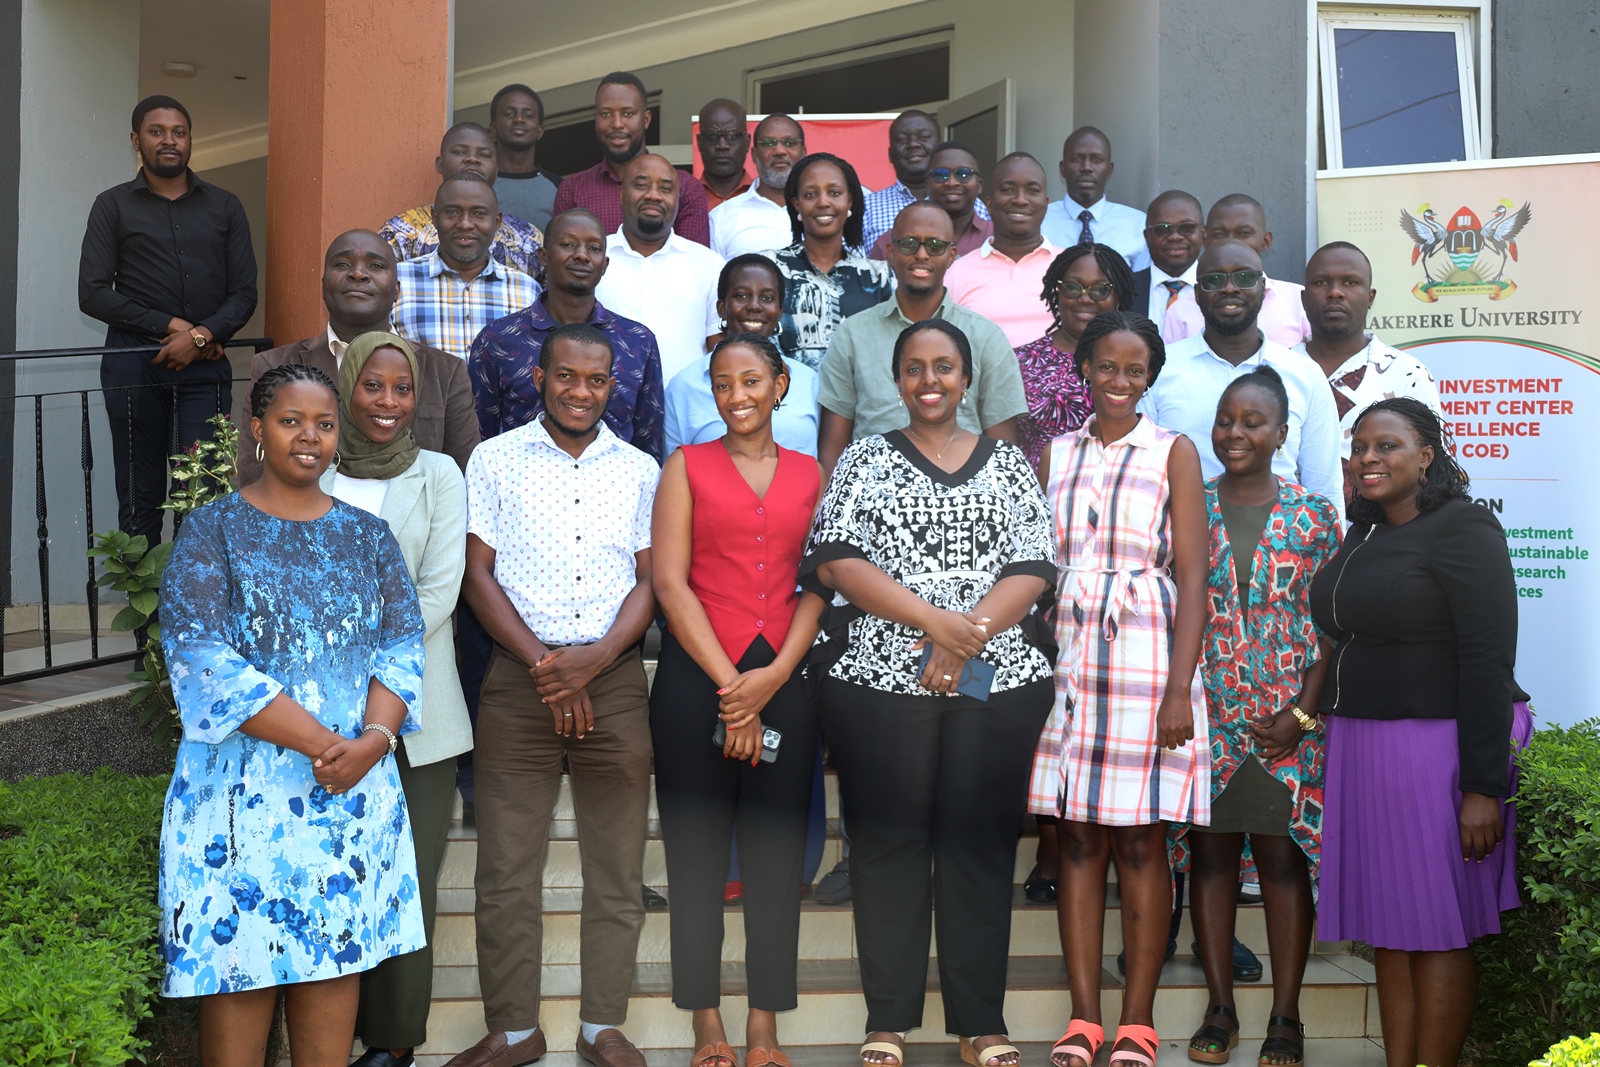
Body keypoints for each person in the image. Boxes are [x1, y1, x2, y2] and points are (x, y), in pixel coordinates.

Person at [802, 318, 1056, 1067]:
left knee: (977, 847)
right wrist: (935, 625)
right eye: (914, 368)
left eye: (944, 367)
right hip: (879, 681)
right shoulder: (863, 460)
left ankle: (981, 1022)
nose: (930, 380)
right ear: (897, 379)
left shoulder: (1008, 463)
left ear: (968, 378)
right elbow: (838, 561)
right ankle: (889, 1021)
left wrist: (965, 635)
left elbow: (1035, 563)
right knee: (888, 843)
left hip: (996, 680)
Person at [158, 363, 424, 1066]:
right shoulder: (212, 530)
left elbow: (401, 647)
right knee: (237, 984)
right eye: (290, 421)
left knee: (332, 985)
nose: (310, 437)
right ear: (257, 430)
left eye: (324, 424)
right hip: (237, 808)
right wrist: (330, 744)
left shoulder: (369, 537)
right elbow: (201, 658)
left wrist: (374, 739)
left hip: (348, 803)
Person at [452, 323, 659, 1067]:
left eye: (596, 380)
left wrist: (594, 660)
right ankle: (514, 1028)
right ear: (539, 376)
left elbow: (651, 580)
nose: (580, 391)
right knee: (505, 868)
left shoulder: (640, 469)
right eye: (566, 376)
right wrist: (548, 664)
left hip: (616, 684)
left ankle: (603, 1024)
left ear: (614, 386)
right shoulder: (493, 460)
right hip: (517, 682)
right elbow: (478, 576)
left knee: (617, 865)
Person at [1308, 398, 1524, 1067]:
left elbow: (1489, 659)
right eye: (1360, 447)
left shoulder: (1465, 528)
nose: (1368, 459)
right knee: (1392, 931)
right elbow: (1341, 639)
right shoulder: (1364, 531)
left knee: (1436, 929)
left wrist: (1482, 785)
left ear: (1426, 455)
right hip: (1364, 747)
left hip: (1435, 748)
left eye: (1387, 446)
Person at [1029, 310, 1208, 1067]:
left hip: (1144, 657)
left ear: (1151, 377)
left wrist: (1178, 689)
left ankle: (1136, 1019)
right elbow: (1037, 563)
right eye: (1108, 366)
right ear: (1086, 370)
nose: (1120, 381)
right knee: (1075, 834)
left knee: (1140, 839)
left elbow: (1195, 577)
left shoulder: (1174, 451)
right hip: (1069, 657)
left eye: (1135, 370)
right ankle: (1082, 1017)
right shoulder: (1055, 452)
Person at [651, 333, 824, 1067]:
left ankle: (763, 1029)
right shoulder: (685, 466)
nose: (737, 395)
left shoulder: (816, 474)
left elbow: (821, 584)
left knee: (775, 862)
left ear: (780, 385)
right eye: (723, 384)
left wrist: (775, 675)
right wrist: (734, 690)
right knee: (694, 860)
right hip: (700, 683)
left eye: (751, 380)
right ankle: (706, 1027)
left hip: (784, 678)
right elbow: (669, 583)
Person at [311, 333, 470, 1067]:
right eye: (372, 385)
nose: (387, 402)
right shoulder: (315, 471)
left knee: (408, 877)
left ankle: (395, 1037)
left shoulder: (439, 474)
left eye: (401, 389)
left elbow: (440, 587)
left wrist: (365, 657)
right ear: (347, 386)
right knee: (330, 871)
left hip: (419, 713)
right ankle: (323, 1031)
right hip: (318, 712)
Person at [1180, 366, 1341, 1067]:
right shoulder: (1190, 506)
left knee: (1281, 860)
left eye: (1252, 421)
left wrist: (1304, 713)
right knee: (1211, 856)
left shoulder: (1314, 516)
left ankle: (1285, 1015)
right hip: (1207, 711)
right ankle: (1219, 1006)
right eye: (1226, 419)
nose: (1235, 432)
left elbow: (1333, 625)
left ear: (1282, 433)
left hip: (1287, 715)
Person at [79, 94, 257, 544]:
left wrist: (202, 335)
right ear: (137, 141)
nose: (169, 140)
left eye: (179, 132)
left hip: (206, 369)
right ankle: (144, 612)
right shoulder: (112, 206)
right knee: (139, 493)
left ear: (191, 140)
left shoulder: (225, 206)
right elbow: (93, 293)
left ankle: (197, 604)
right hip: (134, 365)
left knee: (203, 491)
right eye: (157, 132)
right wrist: (173, 327)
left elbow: (244, 292)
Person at [239, 230, 479, 485]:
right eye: (342, 264)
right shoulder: (274, 366)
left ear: (397, 290)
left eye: (375, 266)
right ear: (322, 286)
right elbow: (253, 473)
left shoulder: (444, 371)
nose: (358, 274)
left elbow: (465, 476)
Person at [817, 202, 1026, 477]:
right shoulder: (853, 335)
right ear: (891, 253)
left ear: (952, 256)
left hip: (966, 501)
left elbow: (1004, 453)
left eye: (935, 246)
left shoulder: (986, 338)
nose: (922, 255)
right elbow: (833, 449)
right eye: (909, 245)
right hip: (874, 499)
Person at [1141, 239, 1342, 519]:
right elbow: (1141, 478)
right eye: (1214, 280)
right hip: (1182, 545)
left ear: (1263, 288)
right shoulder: (1160, 370)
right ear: (1197, 294)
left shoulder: (1304, 374)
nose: (1230, 288)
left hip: (1285, 549)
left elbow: (1325, 487)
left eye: (1244, 277)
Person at [470, 209, 665, 459]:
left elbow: (648, 444)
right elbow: (480, 437)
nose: (582, 255)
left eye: (594, 248)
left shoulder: (638, 341)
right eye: (568, 244)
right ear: (544, 256)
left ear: (604, 265)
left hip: (616, 492)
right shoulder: (499, 340)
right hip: (521, 491)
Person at [1294, 241, 1441, 507]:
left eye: (1350, 282)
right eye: (1321, 282)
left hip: (1382, 539)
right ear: (1303, 299)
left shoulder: (1407, 374)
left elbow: (1432, 472)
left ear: (1370, 297)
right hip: (1287, 540)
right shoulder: (1275, 372)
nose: (1335, 292)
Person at [666, 255, 820, 457]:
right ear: (722, 308)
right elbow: (673, 471)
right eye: (741, 296)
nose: (754, 306)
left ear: (779, 311)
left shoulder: (808, 381)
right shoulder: (684, 386)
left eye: (767, 298)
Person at [594, 153, 723, 385]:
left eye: (665, 188)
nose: (653, 195)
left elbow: (719, 350)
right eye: (641, 185)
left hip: (685, 412)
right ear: (622, 194)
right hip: (604, 411)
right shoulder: (593, 259)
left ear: (677, 198)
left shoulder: (710, 265)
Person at [391, 175, 541, 363]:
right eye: (453, 212)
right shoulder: (398, 280)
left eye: (479, 213)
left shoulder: (527, 290)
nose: (465, 224)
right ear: (434, 218)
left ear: (497, 222)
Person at [551, 71, 711, 247]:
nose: (617, 123)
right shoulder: (573, 189)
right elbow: (564, 263)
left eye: (628, 113)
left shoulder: (685, 186)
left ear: (646, 119)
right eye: (605, 114)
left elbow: (694, 262)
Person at [1010, 243, 1132, 468]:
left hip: (1121, 489)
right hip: (1039, 493)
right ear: (1057, 292)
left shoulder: (1137, 361)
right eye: (1073, 287)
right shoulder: (1019, 362)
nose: (1085, 298)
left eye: (1100, 289)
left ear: (1118, 296)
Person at [769, 152, 893, 370]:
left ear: (850, 201)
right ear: (796, 204)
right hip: (787, 401)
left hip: (859, 402)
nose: (823, 202)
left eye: (834, 193)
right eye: (810, 195)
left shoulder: (879, 276)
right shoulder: (769, 269)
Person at [380, 123, 544, 274]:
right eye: (459, 152)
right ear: (440, 164)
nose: (472, 159)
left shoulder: (528, 238)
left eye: (484, 155)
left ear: (496, 169)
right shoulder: (399, 232)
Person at [945, 152, 1063, 347]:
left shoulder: (1070, 267)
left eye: (1032, 190)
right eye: (1008, 189)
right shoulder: (956, 273)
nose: (1020, 200)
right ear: (989, 204)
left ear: (1046, 203)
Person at [1166, 195, 1310, 348]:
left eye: (1243, 233)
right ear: (1204, 238)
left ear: (1265, 241)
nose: (1231, 242)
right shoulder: (1179, 310)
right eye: (1219, 234)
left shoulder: (1298, 302)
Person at [861, 110, 990, 254]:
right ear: (890, 154)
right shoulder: (865, 208)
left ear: (939, 148)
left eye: (923, 137)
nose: (913, 144)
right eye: (903, 140)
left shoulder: (973, 205)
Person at [1039, 127, 1148, 269]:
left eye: (1097, 160)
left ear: (1109, 169)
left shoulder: (1137, 224)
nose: (1086, 167)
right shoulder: (1039, 221)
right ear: (1063, 168)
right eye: (1076, 159)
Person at [711, 114, 806, 259]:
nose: (779, 151)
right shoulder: (720, 217)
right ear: (754, 155)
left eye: (790, 142)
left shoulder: (826, 212)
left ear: (803, 153)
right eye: (768, 143)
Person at [1131, 191, 1206, 343]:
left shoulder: (1218, 288)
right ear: (1147, 236)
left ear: (1203, 233)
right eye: (1162, 229)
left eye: (1187, 227)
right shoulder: (1124, 289)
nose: (1174, 236)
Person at [489, 84, 563, 232]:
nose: (519, 119)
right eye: (509, 113)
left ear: (540, 131)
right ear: (493, 127)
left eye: (528, 115)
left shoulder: (560, 188)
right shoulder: (478, 184)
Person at [696, 98, 752, 210]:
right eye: (712, 136)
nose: (722, 146)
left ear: (747, 142)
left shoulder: (763, 197)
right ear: (699, 143)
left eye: (732, 136)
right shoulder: (681, 198)